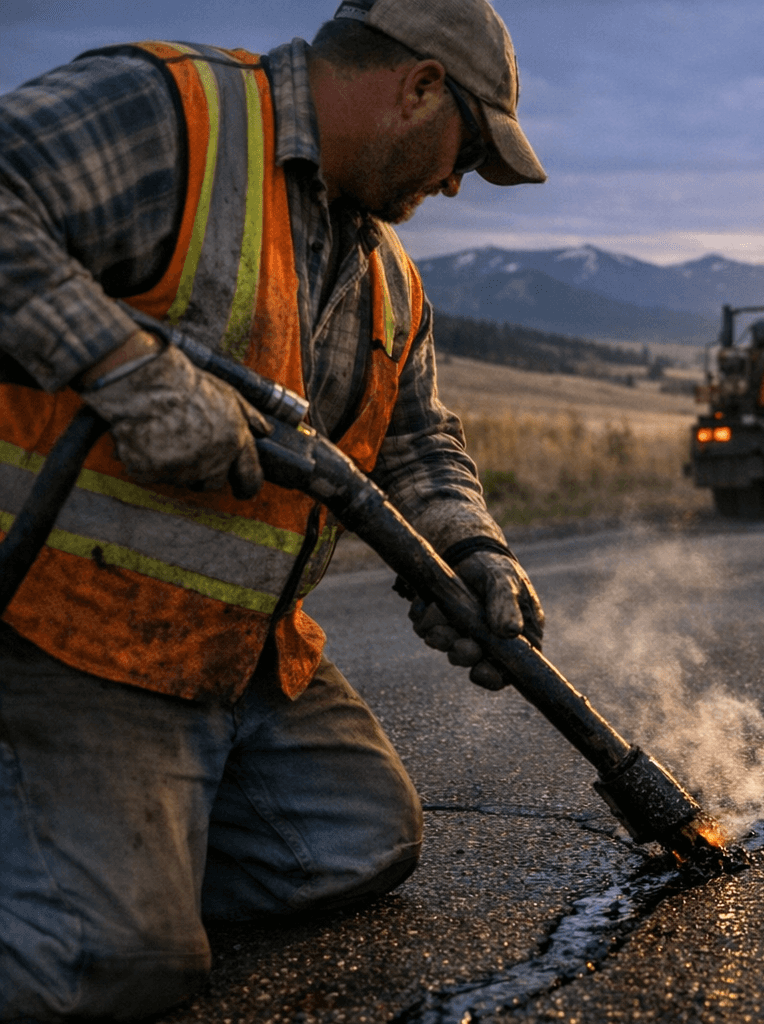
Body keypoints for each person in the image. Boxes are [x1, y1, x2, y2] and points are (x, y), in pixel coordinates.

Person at [0, 1, 548, 1018]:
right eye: (467, 150)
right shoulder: (172, 114)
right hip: (63, 631)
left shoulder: (386, 274)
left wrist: (471, 549)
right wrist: (127, 372)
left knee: (354, 845)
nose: (455, 183)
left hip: (236, 658)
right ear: (420, 87)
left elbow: (416, 439)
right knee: (112, 965)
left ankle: (102, 851)